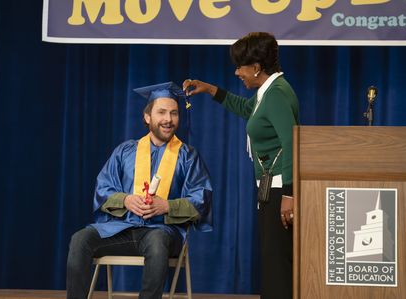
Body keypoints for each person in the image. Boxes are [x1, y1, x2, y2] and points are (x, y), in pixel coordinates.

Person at [66, 82, 213, 299]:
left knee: (156, 242)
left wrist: (167, 206)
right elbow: (102, 189)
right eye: (161, 112)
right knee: (80, 239)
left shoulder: (187, 156)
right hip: (121, 229)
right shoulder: (125, 151)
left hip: (162, 231)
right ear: (147, 117)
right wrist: (125, 200)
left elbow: (202, 199)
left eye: (174, 113)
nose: (168, 119)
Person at [183, 32, 299, 299]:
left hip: (281, 190)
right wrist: (211, 89)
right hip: (271, 189)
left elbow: (292, 143)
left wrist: (290, 195)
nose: (237, 73)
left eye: (240, 67)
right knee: (271, 263)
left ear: (256, 68)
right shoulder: (267, 92)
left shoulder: (278, 94)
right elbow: (248, 110)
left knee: (277, 265)